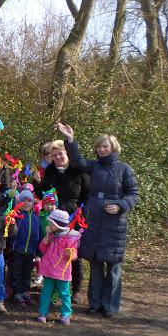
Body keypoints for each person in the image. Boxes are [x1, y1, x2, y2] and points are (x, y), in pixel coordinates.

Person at [58, 123, 140, 318]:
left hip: (114, 223)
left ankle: (109, 306)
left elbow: (134, 195)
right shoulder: (94, 166)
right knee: (95, 262)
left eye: (105, 146)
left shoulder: (124, 169)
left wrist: (120, 205)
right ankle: (94, 304)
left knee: (113, 266)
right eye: (99, 147)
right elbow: (77, 161)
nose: (101, 150)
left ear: (113, 148)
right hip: (94, 218)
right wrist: (70, 140)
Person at [33, 140, 90, 304]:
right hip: (56, 217)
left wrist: (82, 211)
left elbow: (88, 192)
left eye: (61, 154)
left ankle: (76, 290)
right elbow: (43, 192)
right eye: (54, 155)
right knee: (54, 250)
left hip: (75, 216)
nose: (58, 157)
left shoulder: (78, 169)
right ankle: (55, 289)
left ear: (67, 153)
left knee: (73, 253)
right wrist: (37, 183)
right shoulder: (50, 171)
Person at [36, 210, 80, 325]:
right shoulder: (51, 236)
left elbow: (74, 254)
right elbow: (43, 250)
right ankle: (43, 313)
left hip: (62, 271)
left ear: (58, 224)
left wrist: (71, 254)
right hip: (48, 270)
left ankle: (66, 314)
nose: (49, 225)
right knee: (46, 292)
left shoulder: (69, 238)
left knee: (64, 293)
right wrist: (44, 243)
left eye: (51, 223)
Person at [8, 190, 45, 308]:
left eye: (29, 201)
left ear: (33, 203)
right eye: (23, 201)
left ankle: (25, 291)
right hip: (17, 250)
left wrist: (39, 251)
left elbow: (40, 235)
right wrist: (13, 193)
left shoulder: (36, 219)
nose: (26, 203)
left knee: (27, 273)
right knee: (16, 273)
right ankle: (17, 293)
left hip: (30, 251)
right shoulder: (17, 216)